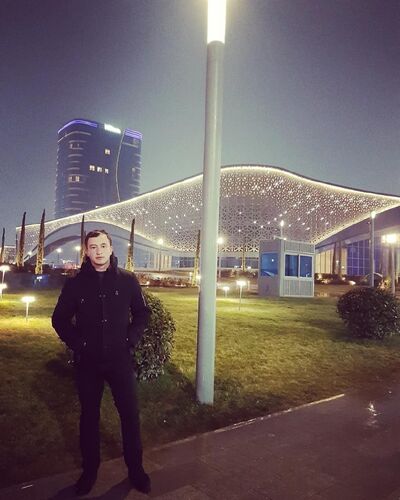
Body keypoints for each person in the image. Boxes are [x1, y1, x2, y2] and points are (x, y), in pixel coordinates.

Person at [52, 229, 152, 496]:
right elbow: (59, 319)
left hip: (120, 360)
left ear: (111, 248)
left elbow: (142, 313)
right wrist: (80, 344)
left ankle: (136, 470)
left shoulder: (128, 280)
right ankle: (90, 471)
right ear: (86, 251)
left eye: (103, 245)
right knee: (89, 416)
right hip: (88, 362)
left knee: (130, 415)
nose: (98, 251)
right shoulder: (75, 284)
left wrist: (130, 339)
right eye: (93, 247)